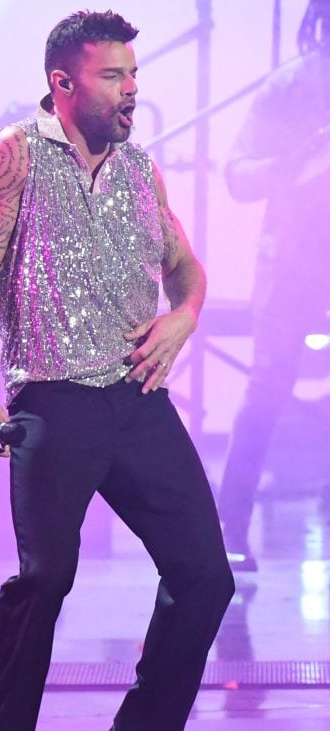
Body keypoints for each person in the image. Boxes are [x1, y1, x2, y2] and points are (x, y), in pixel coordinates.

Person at [0, 11, 234, 731]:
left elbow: (187, 270)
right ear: (64, 84)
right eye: (114, 76)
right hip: (52, 394)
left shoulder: (142, 171)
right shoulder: (11, 160)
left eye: (134, 75)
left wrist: (185, 315)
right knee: (46, 576)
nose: (131, 90)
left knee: (205, 575)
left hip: (137, 399)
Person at [218, 0, 330, 571]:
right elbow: (237, 174)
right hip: (293, 264)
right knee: (266, 390)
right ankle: (230, 528)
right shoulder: (290, 87)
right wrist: (291, 162)